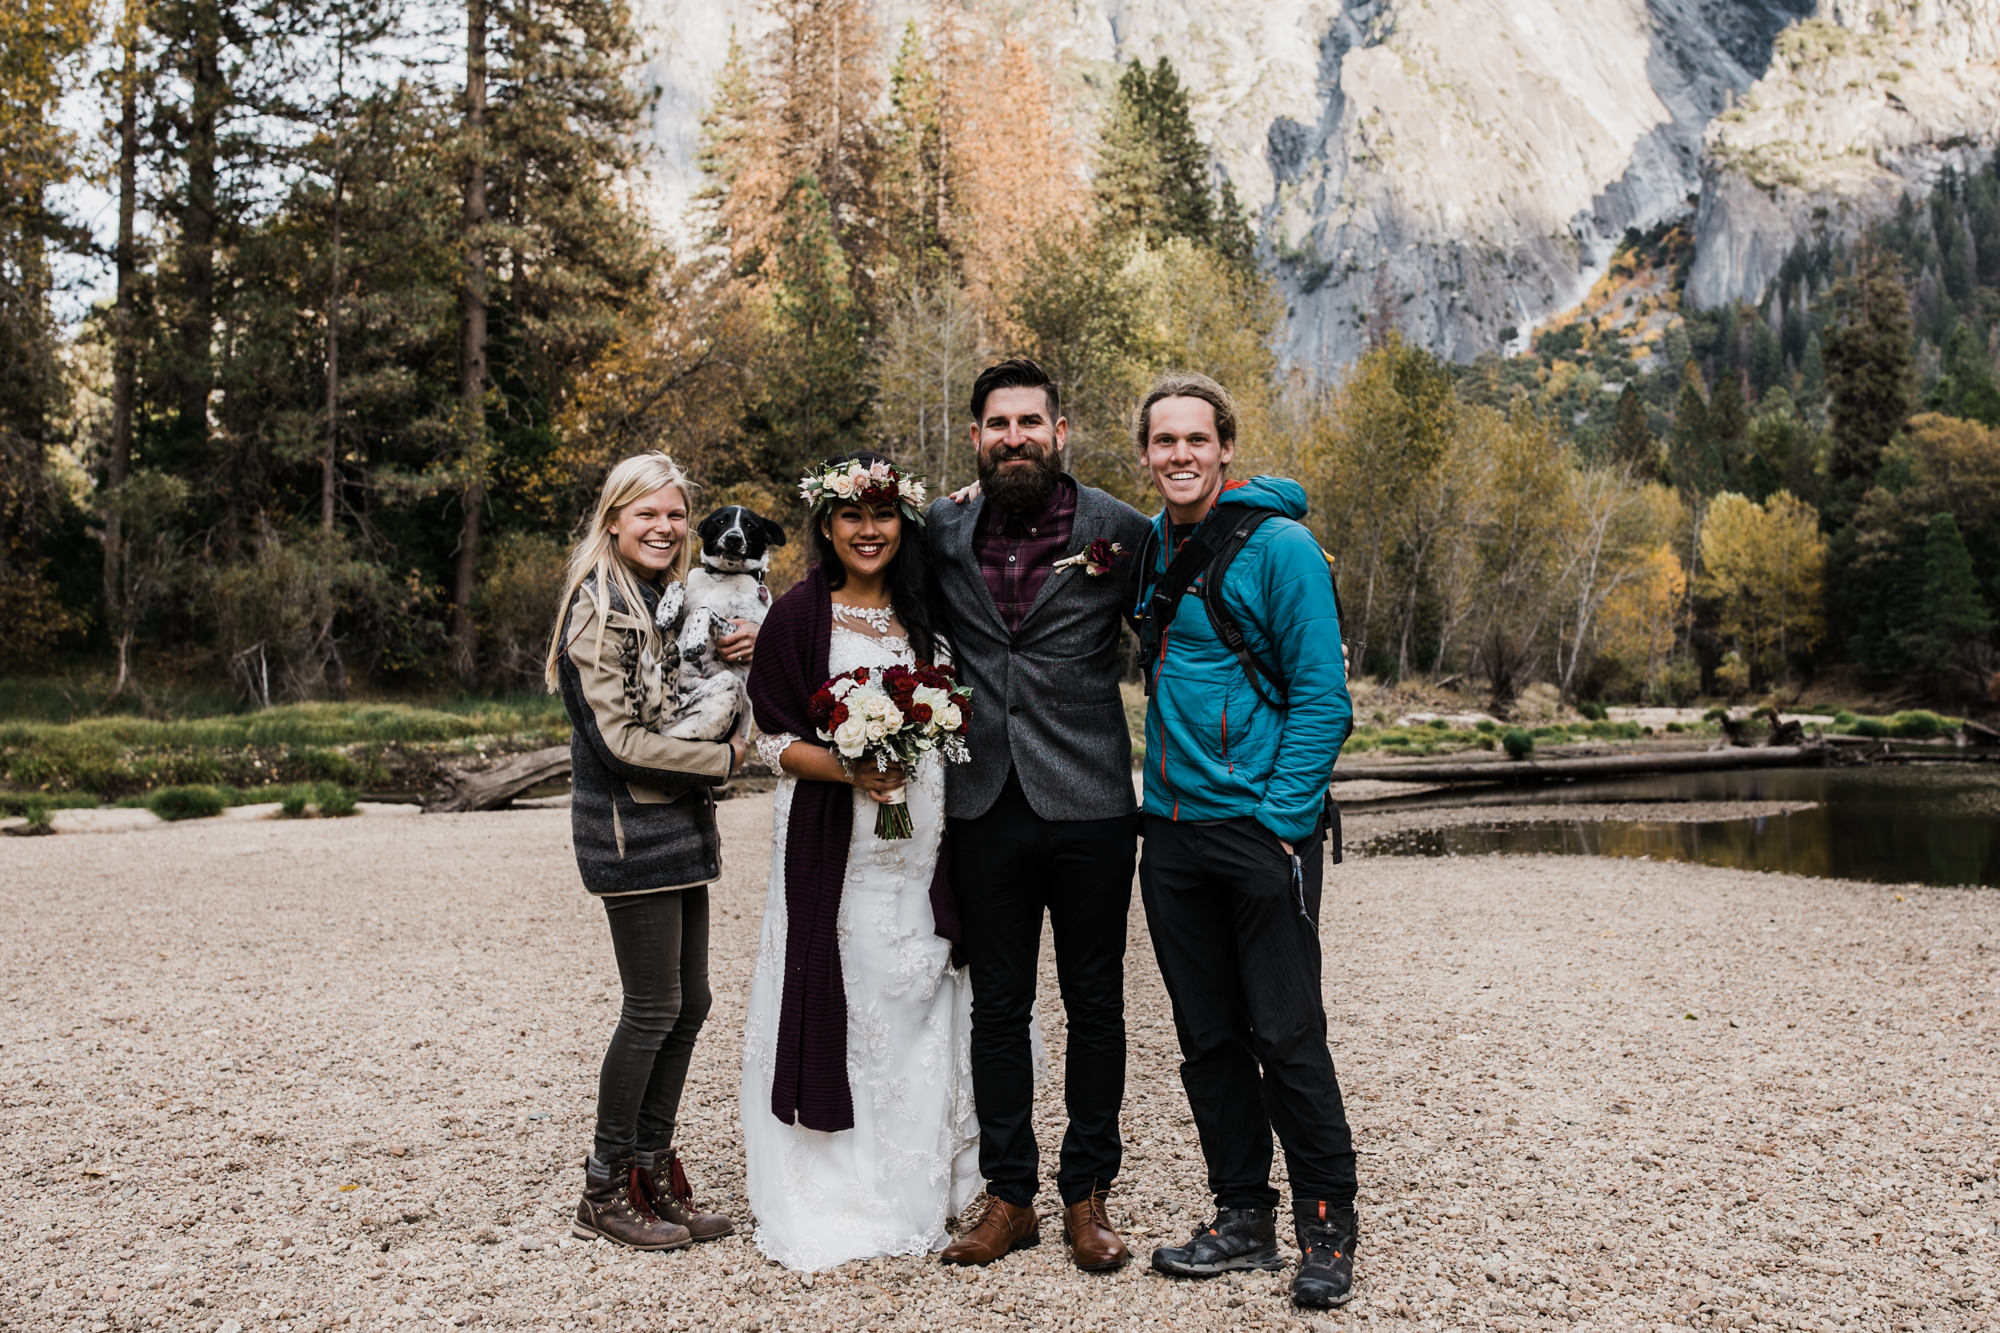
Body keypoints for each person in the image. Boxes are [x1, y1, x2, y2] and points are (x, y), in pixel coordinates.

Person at [1128, 373, 1360, 1309]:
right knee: (1208, 1037)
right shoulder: (1152, 542)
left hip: (1261, 830)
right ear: (1146, 454)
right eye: (1162, 441)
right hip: (1172, 832)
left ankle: (1328, 1227)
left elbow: (1324, 698)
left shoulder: (1284, 548)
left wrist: (1280, 823)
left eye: (1196, 439)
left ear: (1226, 447)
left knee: (1287, 1031)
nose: (1179, 454)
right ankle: (1241, 1218)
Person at [927, 358, 1153, 1271]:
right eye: (997, 424)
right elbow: (852, 580)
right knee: (1000, 1006)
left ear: (1061, 433)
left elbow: (1188, 618)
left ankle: (1088, 1193)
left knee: (1097, 1003)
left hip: (1093, 799)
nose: (1013, 436)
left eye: (1031, 422)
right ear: (976, 438)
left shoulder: (1121, 530)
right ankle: (1010, 1194)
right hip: (984, 800)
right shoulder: (941, 528)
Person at [741, 451, 979, 1270]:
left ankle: (919, 1175)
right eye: (852, 516)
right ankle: (833, 1186)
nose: (868, 531)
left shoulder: (928, 616)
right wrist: (848, 765)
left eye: (882, 516)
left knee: (916, 989)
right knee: (840, 989)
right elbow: (765, 741)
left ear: (903, 525)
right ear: (828, 526)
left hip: (918, 844)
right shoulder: (800, 616)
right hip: (828, 845)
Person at [546, 452, 744, 1251]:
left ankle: (651, 1170)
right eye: (647, 514)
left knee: (689, 1003)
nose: (664, 528)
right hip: (629, 829)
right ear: (614, 518)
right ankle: (603, 1185)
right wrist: (727, 762)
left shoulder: (668, 598)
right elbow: (622, 742)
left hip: (679, 825)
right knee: (654, 1005)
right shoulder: (598, 608)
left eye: (674, 515)